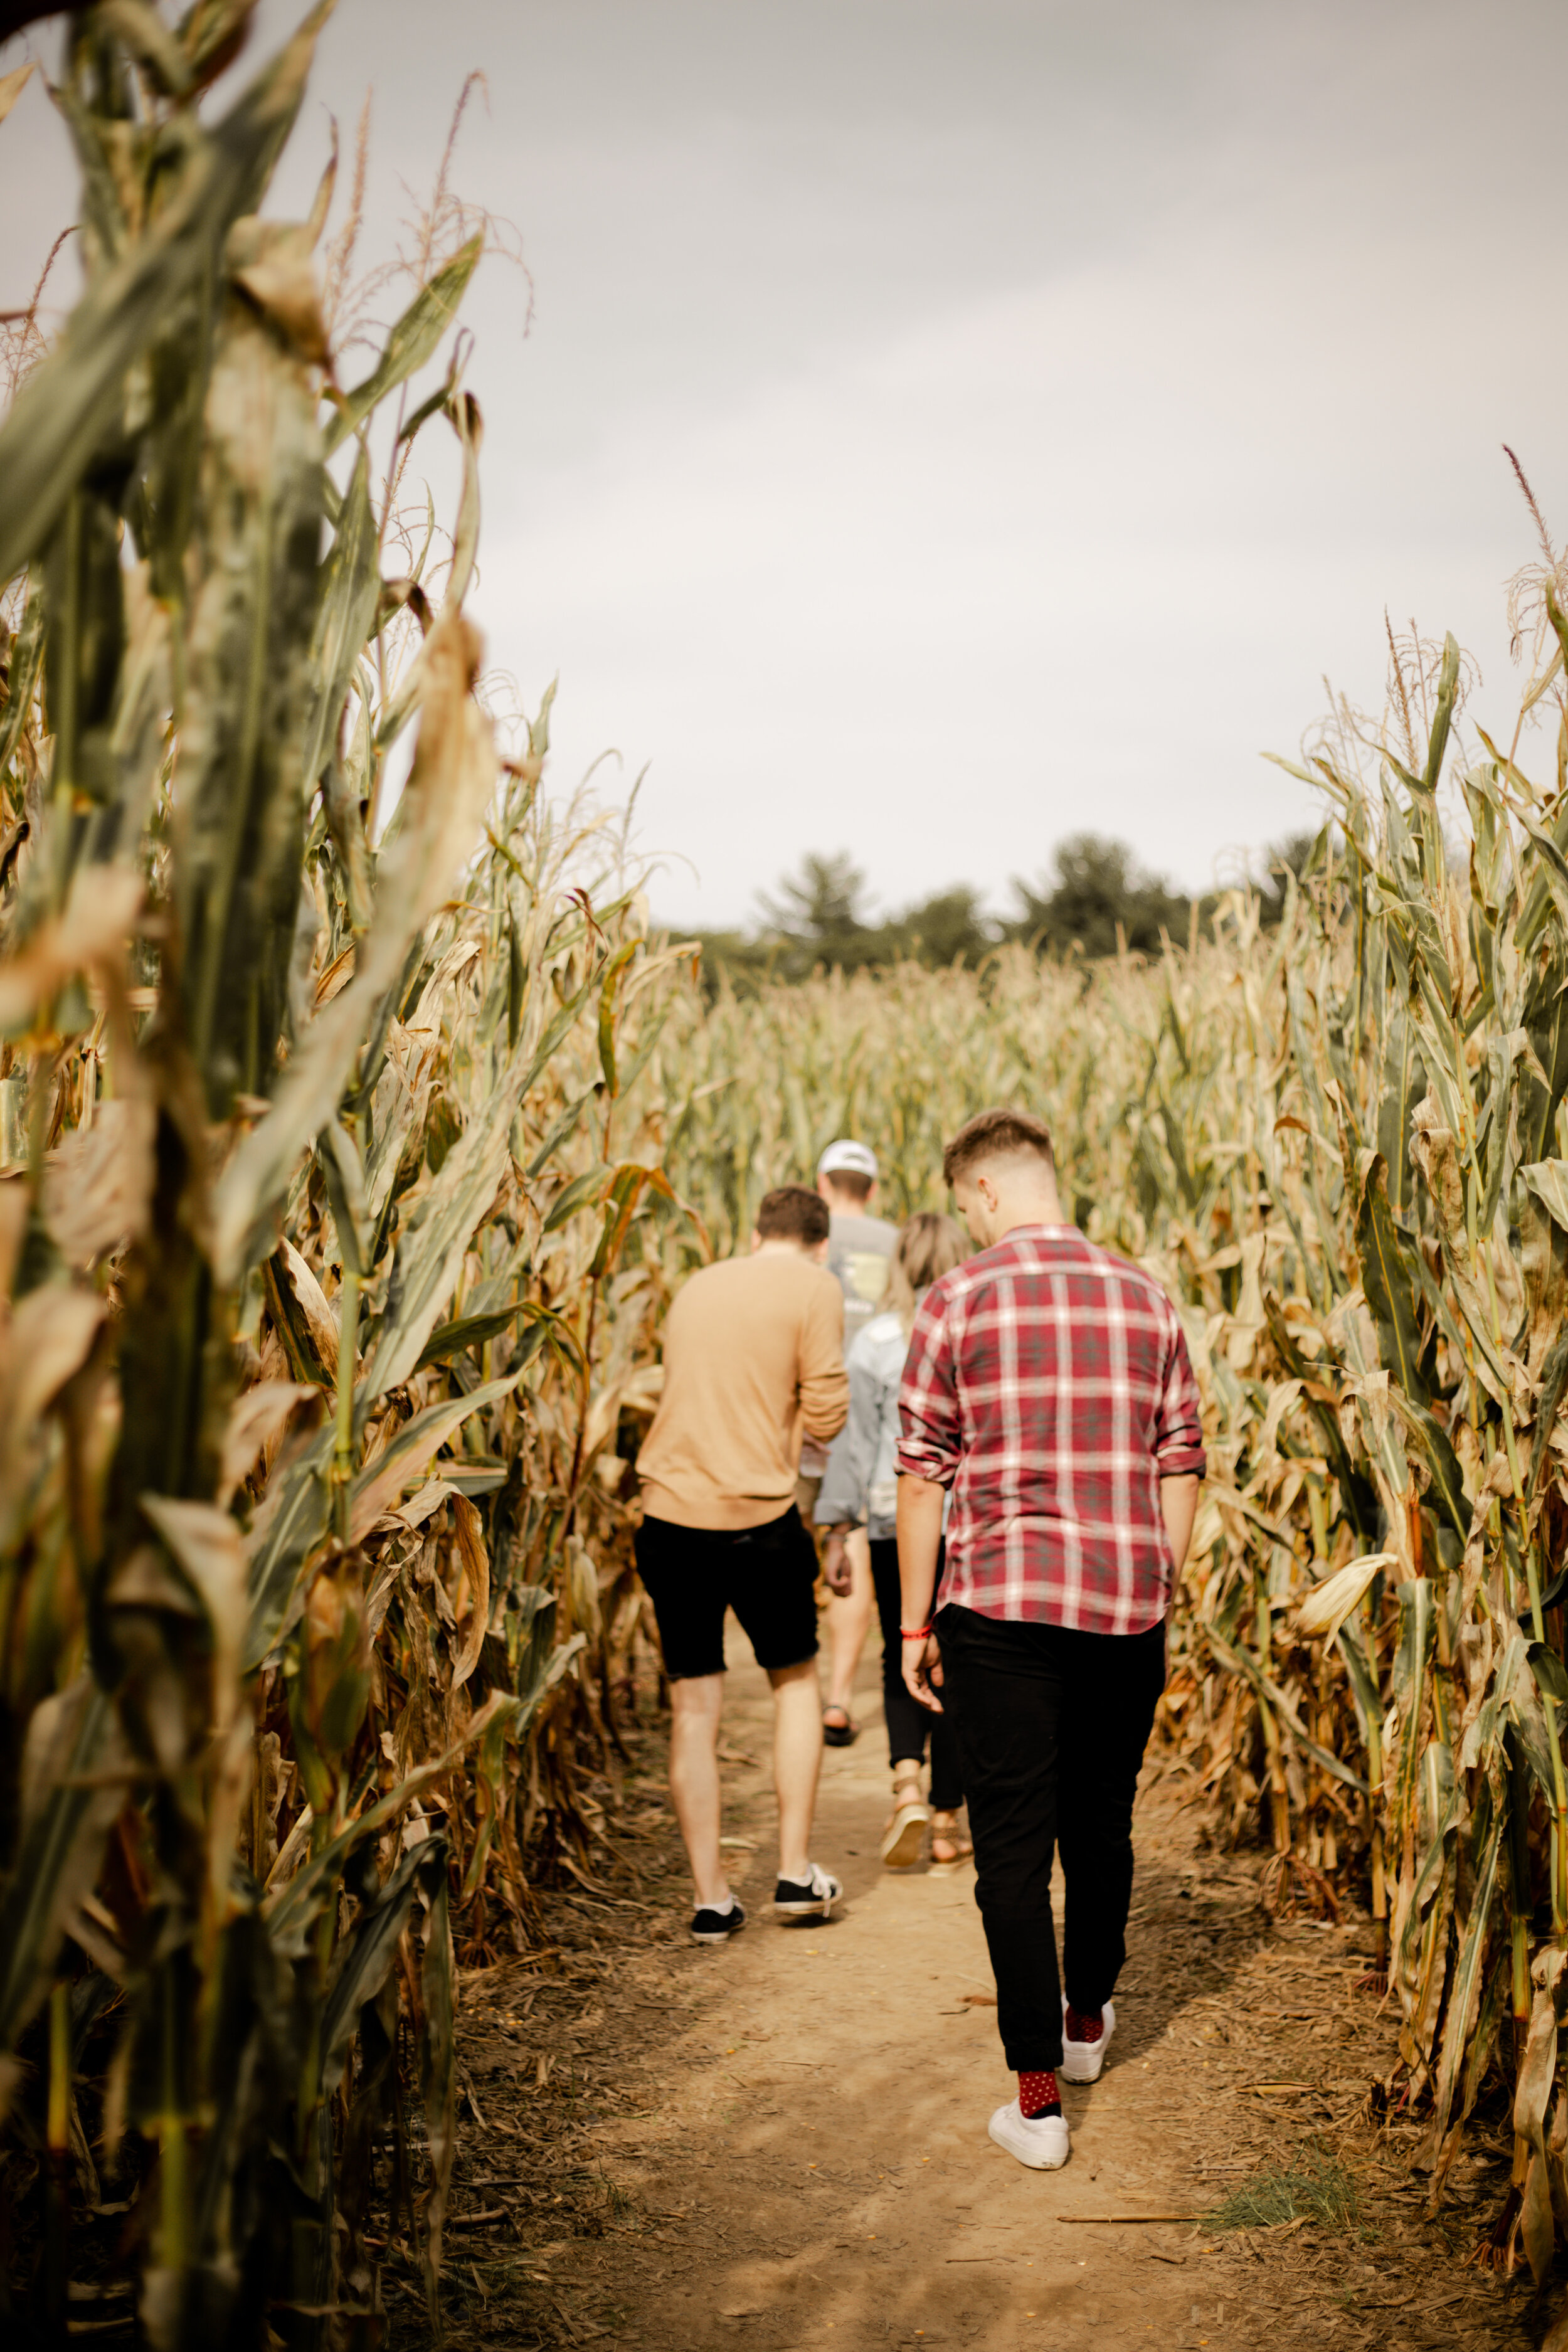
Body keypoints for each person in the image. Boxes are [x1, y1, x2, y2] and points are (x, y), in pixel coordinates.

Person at [895, 1107, 1204, 2171]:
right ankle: (1085, 2026)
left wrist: (912, 1619)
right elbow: (1182, 1459)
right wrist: (1159, 1581)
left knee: (1013, 1853)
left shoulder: (955, 1299)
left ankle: (1035, 2105)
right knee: (1103, 1822)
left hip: (999, 1614)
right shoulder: (1144, 1295)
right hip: (1125, 1607)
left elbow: (921, 1471)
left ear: (982, 1192)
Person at [635, 1184, 852, 1943]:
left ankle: (710, 1900)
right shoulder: (816, 1286)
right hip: (759, 1522)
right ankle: (794, 1873)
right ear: (819, 1243)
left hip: (667, 1518)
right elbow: (827, 1412)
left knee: (694, 1707)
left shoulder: (699, 1283)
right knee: (795, 1681)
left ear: (755, 1233)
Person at [817, 1212, 971, 1871]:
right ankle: (943, 1819)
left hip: (889, 1514)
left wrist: (837, 1523)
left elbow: (851, 1449)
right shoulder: (974, 1331)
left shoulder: (875, 1340)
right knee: (957, 1662)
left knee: (898, 1649)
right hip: (962, 1518)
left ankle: (905, 1781)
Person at [809, 1138, 899, 1746]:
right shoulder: (891, 1242)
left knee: (795, 1545)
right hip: (863, 1419)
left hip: (803, 1413)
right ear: (871, 1189)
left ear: (822, 1184)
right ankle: (838, 1695)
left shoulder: (805, 1239)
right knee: (853, 1554)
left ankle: (794, 1688)